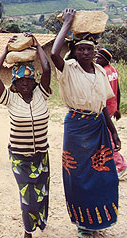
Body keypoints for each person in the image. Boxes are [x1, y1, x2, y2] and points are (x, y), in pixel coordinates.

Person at [50, 8, 120, 238]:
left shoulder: (100, 71)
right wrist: (67, 25)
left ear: (94, 51)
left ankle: (98, 221)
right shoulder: (68, 69)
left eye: (90, 49)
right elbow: (54, 54)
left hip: (98, 128)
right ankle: (82, 223)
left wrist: (115, 133)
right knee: (79, 177)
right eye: (81, 48)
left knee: (103, 174)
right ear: (74, 51)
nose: (86, 52)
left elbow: (102, 107)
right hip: (77, 129)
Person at [0, 34, 51, 238]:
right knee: (28, 196)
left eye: (28, 79)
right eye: (20, 79)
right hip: (20, 157)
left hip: (41, 155)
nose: (25, 83)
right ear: (15, 81)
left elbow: (47, 69)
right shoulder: (10, 98)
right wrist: (6, 51)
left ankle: (39, 222)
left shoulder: (41, 93)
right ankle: (28, 230)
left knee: (41, 194)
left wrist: (37, 44)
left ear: (33, 80)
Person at [95, 48, 127, 179]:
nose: (96, 60)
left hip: (105, 109)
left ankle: (120, 166)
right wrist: (118, 108)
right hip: (112, 106)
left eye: (99, 58)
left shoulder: (102, 72)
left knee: (109, 138)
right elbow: (117, 90)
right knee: (104, 136)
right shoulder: (113, 70)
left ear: (106, 60)